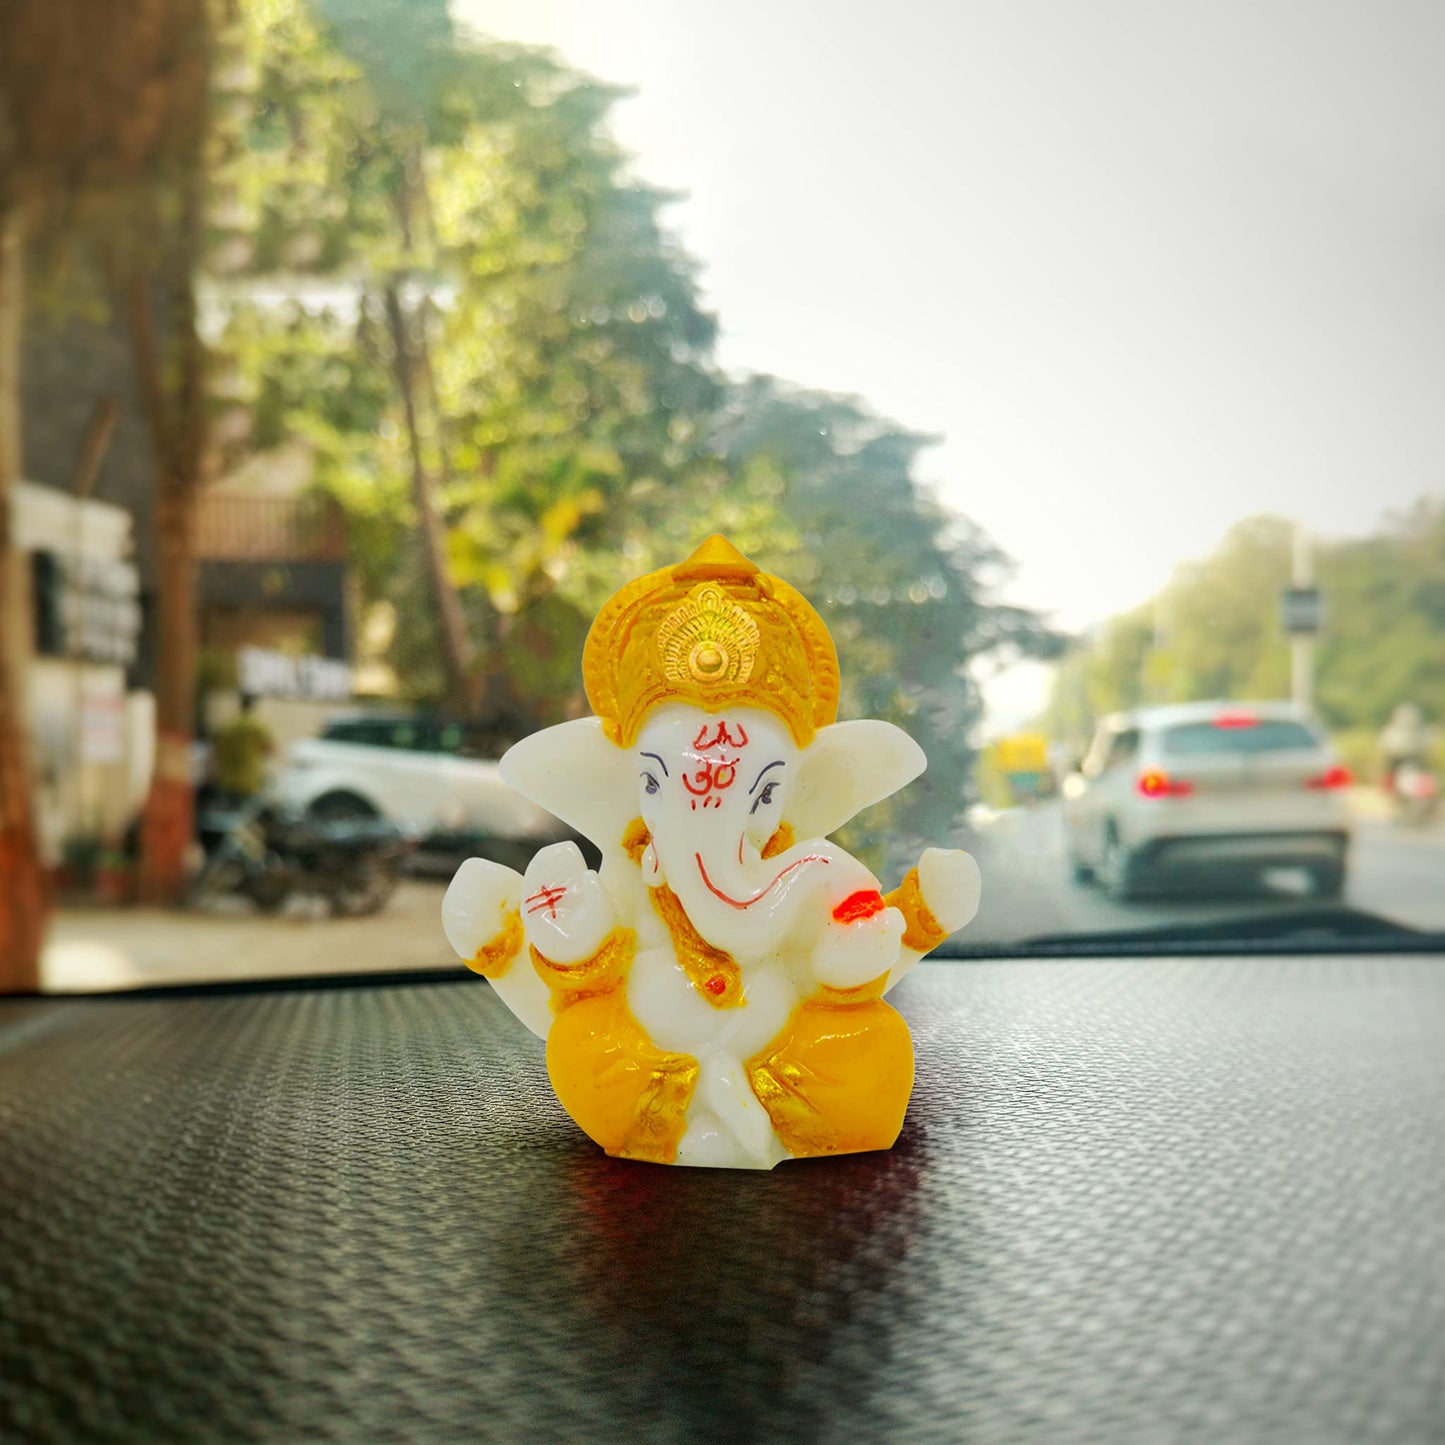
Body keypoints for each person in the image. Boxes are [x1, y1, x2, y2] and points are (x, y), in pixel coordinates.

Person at [210, 695, 276, 801]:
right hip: (249, 781)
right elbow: (272, 749)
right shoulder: (257, 726)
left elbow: (215, 751)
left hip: (227, 780)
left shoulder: (228, 726)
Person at [1379, 702, 1428, 792]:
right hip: (1398, 762)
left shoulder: (1420, 732)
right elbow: (1387, 747)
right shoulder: (1392, 731)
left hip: (1414, 762)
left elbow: (1424, 748)